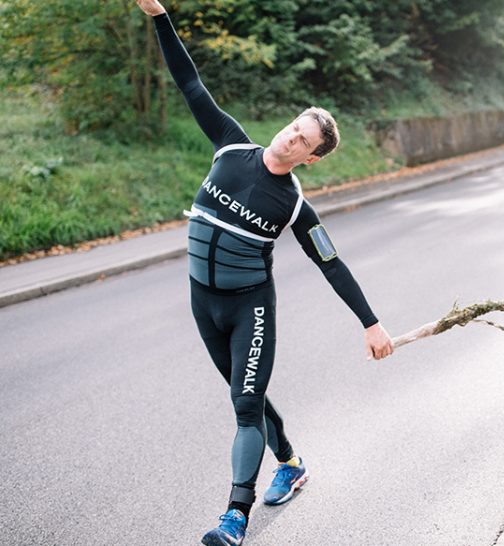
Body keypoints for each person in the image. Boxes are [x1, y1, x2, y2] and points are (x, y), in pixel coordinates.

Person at [134, 2, 394, 545]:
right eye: (292, 127)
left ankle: (234, 517)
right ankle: (292, 463)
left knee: (245, 406)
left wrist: (371, 323)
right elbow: (189, 82)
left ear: (312, 158)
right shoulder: (230, 145)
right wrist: (160, 15)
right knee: (241, 394)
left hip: (249, 307)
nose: (289, 139)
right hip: (201, 302)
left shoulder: (296, 205)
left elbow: (332, 263)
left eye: (303, 141)